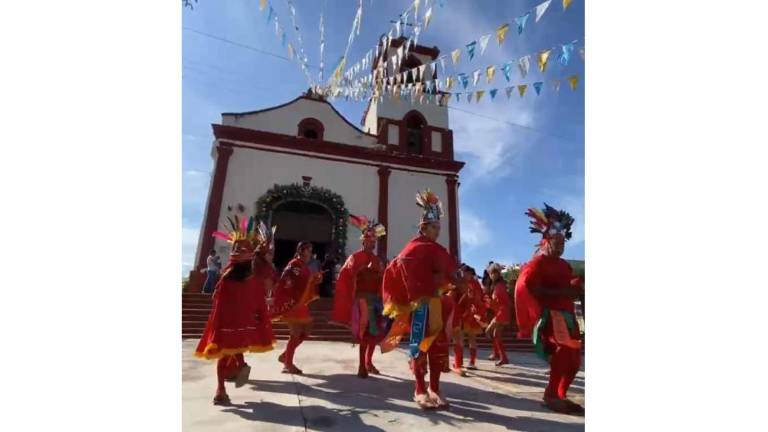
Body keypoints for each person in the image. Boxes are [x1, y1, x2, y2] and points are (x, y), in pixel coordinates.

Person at [380, 189, 464, 410]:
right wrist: (432, 277)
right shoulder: (413, 249)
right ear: (423, 228)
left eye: (438, 227)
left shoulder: (440, 250)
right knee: (420, 347)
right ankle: (419, 389)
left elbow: (451, 272)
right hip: (420, 306)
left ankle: (435, 388)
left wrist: (455, 280)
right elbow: (400, 270)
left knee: (438, 348)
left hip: (437, 304)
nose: (437, 231)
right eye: (433, 227)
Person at [194, 214, 276, 405]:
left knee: (232, 351)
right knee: (226, 354)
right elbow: (223, 301)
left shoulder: (236, 276)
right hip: (229, 324)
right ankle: (221, 388)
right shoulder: (232, 277)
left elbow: (253, 297)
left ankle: (231, 378)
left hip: (235, 324)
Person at [515, 203, 584, 415]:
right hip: (551, 317)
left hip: (568, 316)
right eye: (557, 241)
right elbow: (529, 286)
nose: (561, 246)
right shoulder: (538, 262)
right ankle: (551, 395)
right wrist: (560, 293)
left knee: (574, 359)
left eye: (564, 242)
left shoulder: (564, 265)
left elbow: (569, 286)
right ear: (547, 240)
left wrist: (577, 287)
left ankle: (560, 394)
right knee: (564, 352)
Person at [331, 215, 389, 378]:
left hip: (375, 299)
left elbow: (383, 278)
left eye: (374, 241)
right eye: (370, 241)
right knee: (366, 333)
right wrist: (362, 271)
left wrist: (382, 274)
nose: (372, 243)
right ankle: (361, 365)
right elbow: (346, 275)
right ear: (363, 241)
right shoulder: (355, 257)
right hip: (362, 299)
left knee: (375, 333)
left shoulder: (378, 260)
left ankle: (369, 362)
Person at [269, 241, 323, 374]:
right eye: (308, 250)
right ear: (300, 251)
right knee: (296, 333)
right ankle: (287, 364)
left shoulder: (304, 266)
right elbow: (288, 283)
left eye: (311, 250)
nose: (310, 253)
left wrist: (315, 279)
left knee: (306, 331)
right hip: (293, 303)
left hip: (301, 303)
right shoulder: (294, 264)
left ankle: (285, 356)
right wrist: (310, 280)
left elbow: (305, 282)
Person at [450, 265, 486, 374]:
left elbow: (476, 300)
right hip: (469, 314)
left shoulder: (464, 284)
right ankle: (468, 362)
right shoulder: (472, 284)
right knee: (467, 337)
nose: (463, 274)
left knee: (461, 337)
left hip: (467, 314)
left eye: (464, 272)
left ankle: (461, 363)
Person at [485, 263, 511, 366]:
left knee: (488, 331)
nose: (492, 275)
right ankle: (501, 356)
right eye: (491, 273)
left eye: (494, 273)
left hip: (501, 312)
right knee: (496, 335)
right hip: (501, 312)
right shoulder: (498, 285)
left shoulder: (499, 286)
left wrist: (489, 302)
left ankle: (500, 355)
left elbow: (499, 301)